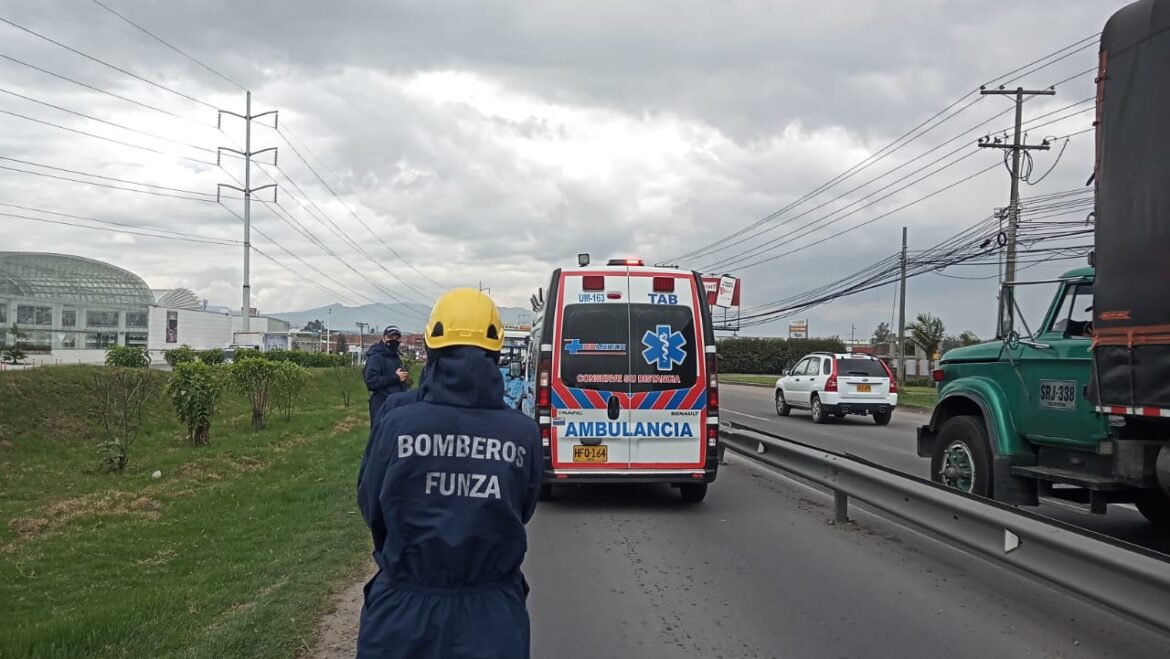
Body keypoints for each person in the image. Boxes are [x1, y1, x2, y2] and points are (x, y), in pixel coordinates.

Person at [356, 289, 542, 659]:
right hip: (492, 618)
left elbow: (371, 507)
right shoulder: (522, 432)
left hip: (401, 614)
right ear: (497, 350)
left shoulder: (396, 423)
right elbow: (522, 509)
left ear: (430, 346)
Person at [363, 326, 410, 426]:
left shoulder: (395, 356)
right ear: (384, 338)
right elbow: (371, 382)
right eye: (391, 337)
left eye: (397, 338)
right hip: (382, 403)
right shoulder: (376, 357)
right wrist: (396, 377)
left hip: (396, 402)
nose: (394, 340)